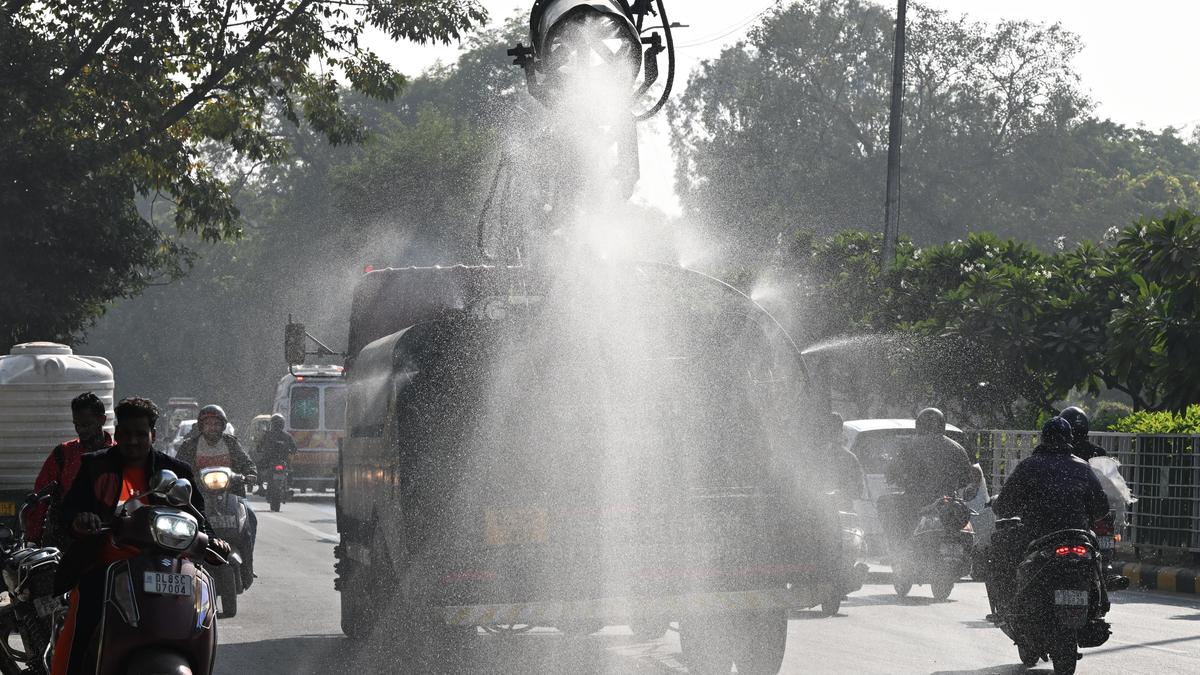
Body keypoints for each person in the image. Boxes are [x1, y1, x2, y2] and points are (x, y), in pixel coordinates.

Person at [51, 397, 229, 675]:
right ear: (117, 433)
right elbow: (69, 510)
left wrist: (212, 539)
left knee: (199, 615)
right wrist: (81, 519)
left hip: (168, 566)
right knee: (83, 613)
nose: (132, 441)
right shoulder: (95, 466)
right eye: (126, 434)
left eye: (140, 434)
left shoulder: (176, 471)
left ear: (153, 435)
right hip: (107, 565)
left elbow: (198, 516)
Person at [984, 416, 1110, 617]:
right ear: (1069, 439)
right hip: (1078, 536)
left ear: (1043, 439)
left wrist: (1001, 505)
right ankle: (1101, 602)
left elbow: (1004, 506)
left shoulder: (1029, 466)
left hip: (1038, 536)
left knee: (1000, 544)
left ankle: (1007, 608)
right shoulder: (1083, 467)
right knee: (1095, 554)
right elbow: (1102, 508)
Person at [174, 404, 258, 585]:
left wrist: (250, 474)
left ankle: (248, 569)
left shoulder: (231, 443)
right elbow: (178, 468)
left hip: (231, 496)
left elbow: (247, 463)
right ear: (201, 426)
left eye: (216, 424)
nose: (212, 427)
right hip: (197, 498)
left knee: (250, 517)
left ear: (223, 426)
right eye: (208, 424)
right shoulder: (190, 445)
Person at [27, 392, 115, 545]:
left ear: (102, 420)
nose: (80, 430)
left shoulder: (117, 455)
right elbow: (41, 497)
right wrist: (33, 539)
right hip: (67, 539)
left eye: (86, 425)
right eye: (76, 425)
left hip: (110, 537)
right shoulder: (63, 454)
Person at [881, 407, 975, 549]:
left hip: (915, 502)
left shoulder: (908, 447)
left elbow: (891, 475)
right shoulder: (957, 448)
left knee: (884, 502)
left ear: (919, 425)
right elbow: (966, 479)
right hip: (948, 504)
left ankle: (897, 549)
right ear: (942, 425)